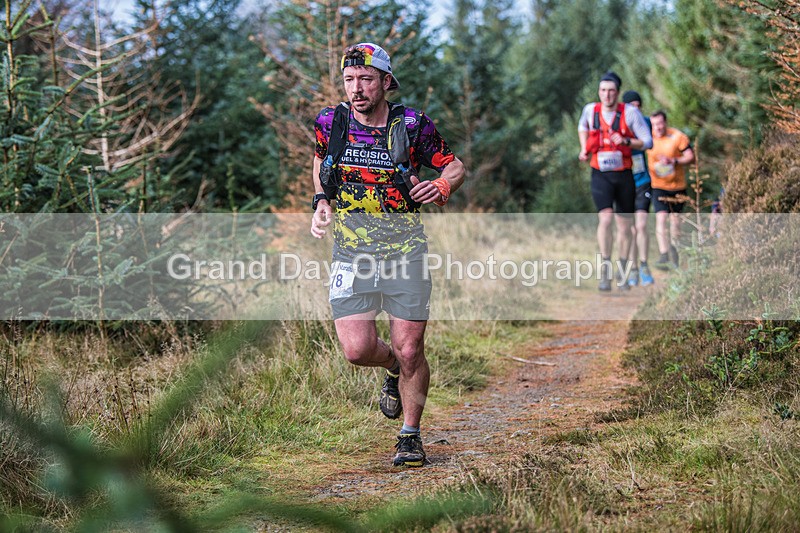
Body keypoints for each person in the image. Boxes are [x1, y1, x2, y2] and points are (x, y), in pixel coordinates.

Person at [310, 43, 465, 467]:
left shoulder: (412, 124)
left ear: (385, 82)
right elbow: (321, 162)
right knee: (357, 350)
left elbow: (454, 165)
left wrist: (443, 185)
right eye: (348, 80)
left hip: (406, 254)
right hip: (351, 254)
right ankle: (392, 368)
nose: (356, 89)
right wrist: (321, 200)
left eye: (365, 80)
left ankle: (410, 435)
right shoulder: (332, 121)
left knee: (411, 348)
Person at [578, 72, 652, 291]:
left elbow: (647, 141)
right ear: (599, 92)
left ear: (617, 93)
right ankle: (605, 269)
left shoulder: (630, 113)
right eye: (603, 90)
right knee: (606, 219)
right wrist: (584, 148)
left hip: (624, 175)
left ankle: (622, 269)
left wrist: (628, 140)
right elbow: (582, 127)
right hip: (600, 174)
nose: (606, 95)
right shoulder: (590, 110)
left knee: (625, 226)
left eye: (611, 91)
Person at [646, 110, 695, 269]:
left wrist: (674, 161)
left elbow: (690, 156)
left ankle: (675, 252)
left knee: (675, 222)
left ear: (665, 122)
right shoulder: (648, 139)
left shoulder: (677, 137)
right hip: (658, 186)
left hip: (677, 186)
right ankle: (663, 254)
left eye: (660, 123)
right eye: (654, 125)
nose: (657, 128)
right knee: (661, 218)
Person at [620, 90, 655, 287]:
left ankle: (644, 265)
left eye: (638, 105)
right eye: (631, 106)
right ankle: (633, 269)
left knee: (641, 226)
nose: (636, 109)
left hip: (643, 182)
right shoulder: (619, 126)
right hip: (624, 182)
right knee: (631, 230)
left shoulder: (646, 123)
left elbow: (660, 133)